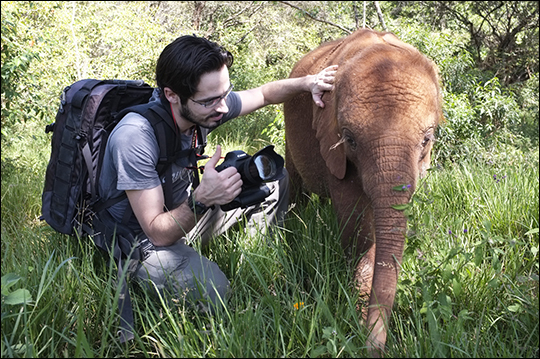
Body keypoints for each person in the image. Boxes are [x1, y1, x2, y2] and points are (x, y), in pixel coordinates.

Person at [98, 35, 337, 313]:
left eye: (225, 94)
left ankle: (256, 257)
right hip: (140, 240)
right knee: (215, 293)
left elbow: (264, 94)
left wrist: (308, 82)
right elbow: (156, 232)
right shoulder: (135, 137)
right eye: (211, 100)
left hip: (182, 212)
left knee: (274, 179)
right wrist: (201, 200)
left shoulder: (204, 108)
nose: (222, 108)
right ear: (171, 95)